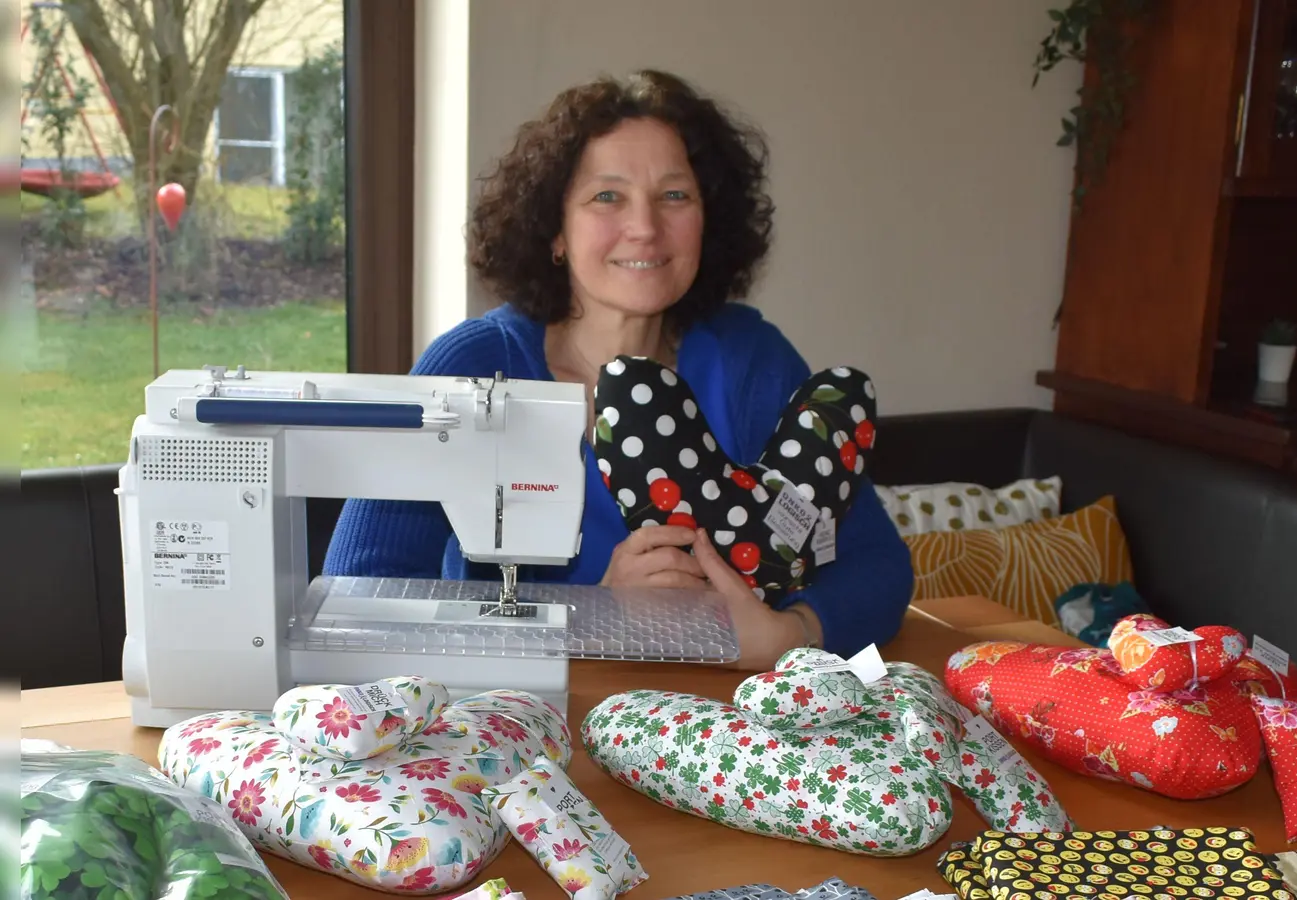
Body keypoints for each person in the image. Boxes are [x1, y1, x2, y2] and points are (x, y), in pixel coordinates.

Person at [323, 69, 914, 670]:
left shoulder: (751, 357)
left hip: (728, 712)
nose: (645, 227)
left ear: (708, 219)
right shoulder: (473, 367)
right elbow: (359, 586)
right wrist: (596, 611)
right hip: (540, 713)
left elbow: (878, 565)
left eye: (675, 195)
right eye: (607, 196)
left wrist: (787, 635)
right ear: (555, 230)